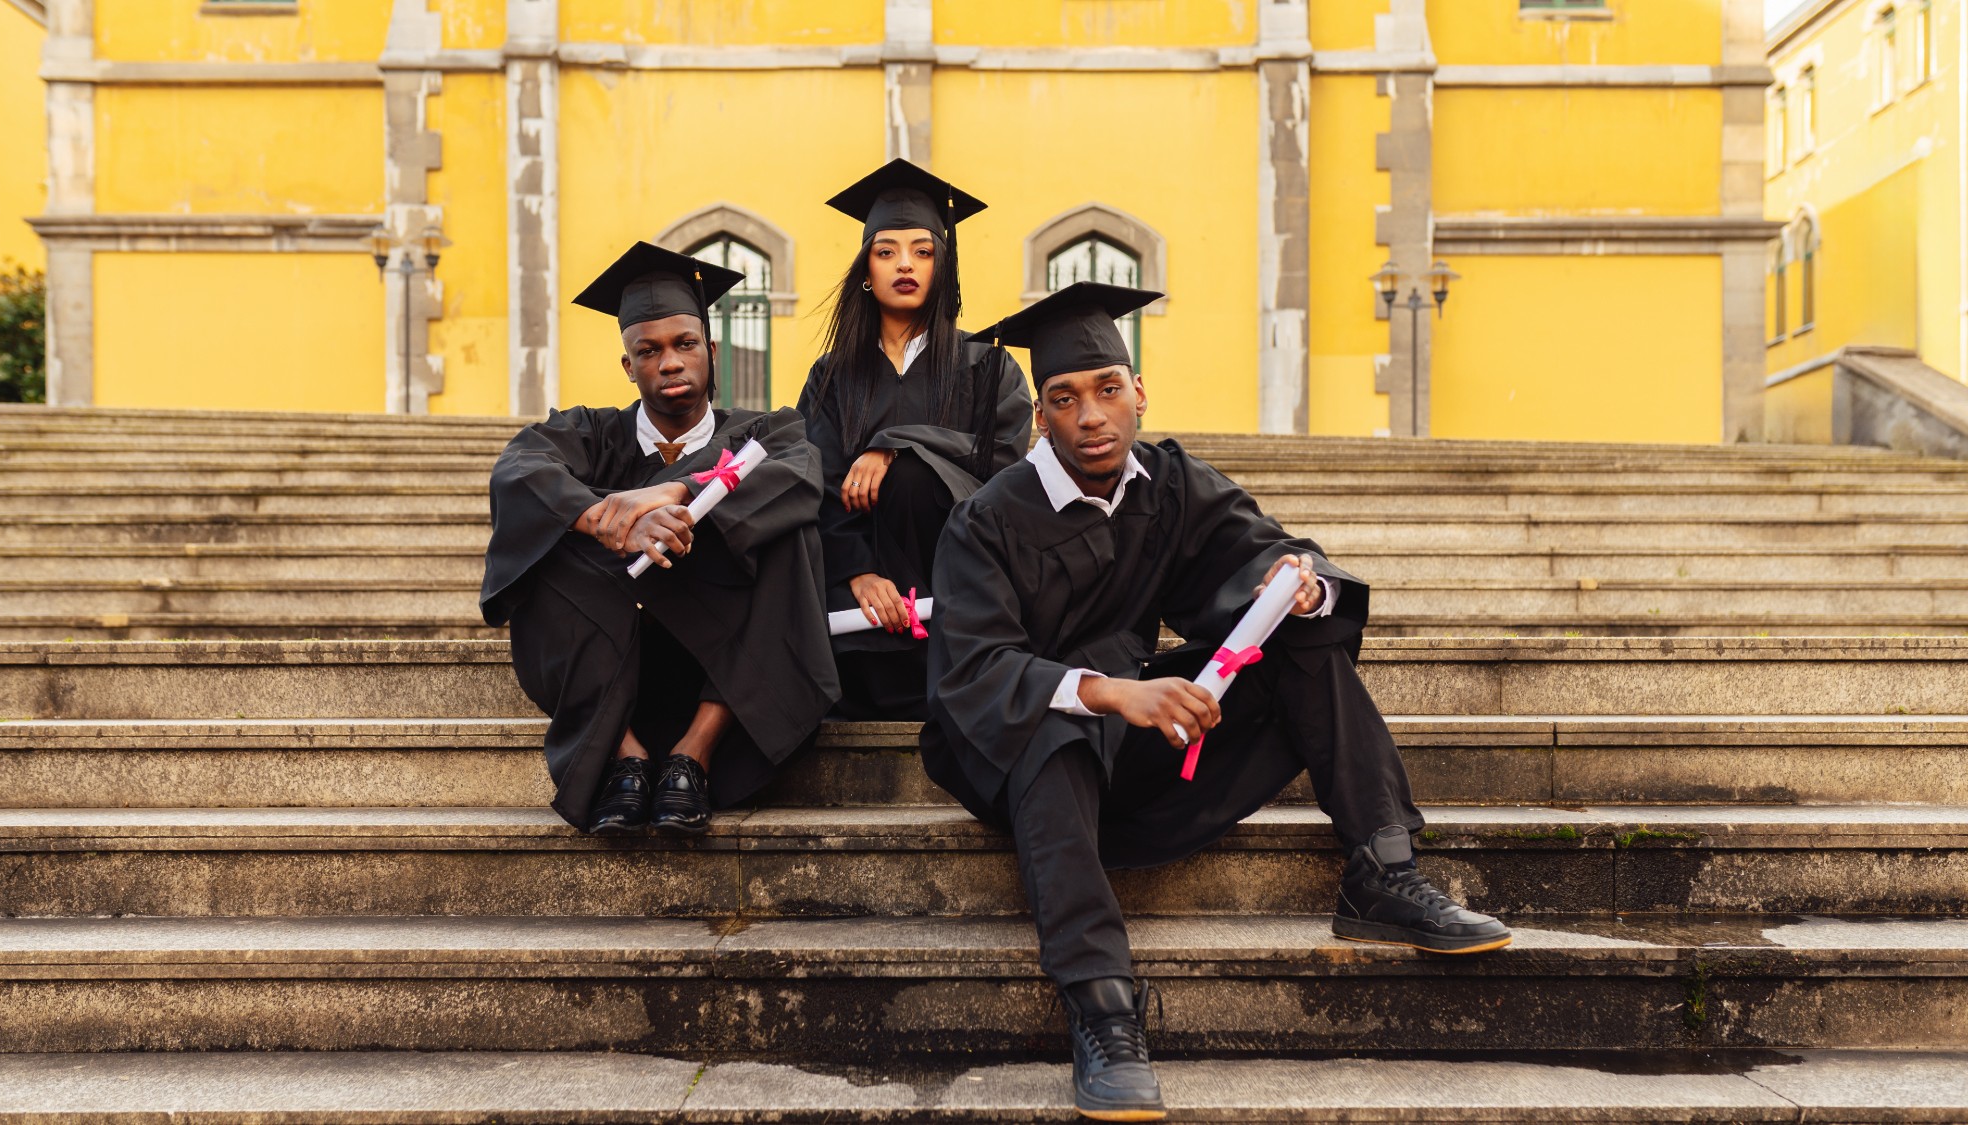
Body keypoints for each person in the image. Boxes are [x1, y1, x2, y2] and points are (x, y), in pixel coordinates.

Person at [920, 282, 1511, 1121]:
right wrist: (1114, 691)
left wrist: (1297, 583)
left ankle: (1383, 871)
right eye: (1065, 398)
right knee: (1052, 730)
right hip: (1027, 770)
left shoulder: (1169, 482)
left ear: (1138, 391)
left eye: (1108, 388)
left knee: (1302, 633)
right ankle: (1102, 1008)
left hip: (1139, 768)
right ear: (1041, 417)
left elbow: (1264, 550)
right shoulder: (987, 519)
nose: (1092, 415)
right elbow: (974, 673)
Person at [481, 241, 838, 837]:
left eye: (684, 345)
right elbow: (519, 470)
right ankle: (626, 759)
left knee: (787, 526)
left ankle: (691, 758)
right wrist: (611, 520)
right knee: (544, 529)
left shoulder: (760, 432)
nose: (669, 362)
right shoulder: (590, 433)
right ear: (629, 366)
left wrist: (675, 494)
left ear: (710, 351)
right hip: (618, 653)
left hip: (720, 659)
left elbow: (799, 472)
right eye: (649, 351)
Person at [797, 159, 1031, 720]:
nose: (906, 264)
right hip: (859, 592)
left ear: (942, 268)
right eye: (887, 252)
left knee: (910, 474)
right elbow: (817, 479)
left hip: (956, 575)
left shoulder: (989, 367)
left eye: (923, 252)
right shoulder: (832, 375)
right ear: (865, 272)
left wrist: (898, 443)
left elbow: (1000, 466)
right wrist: (857, 572)